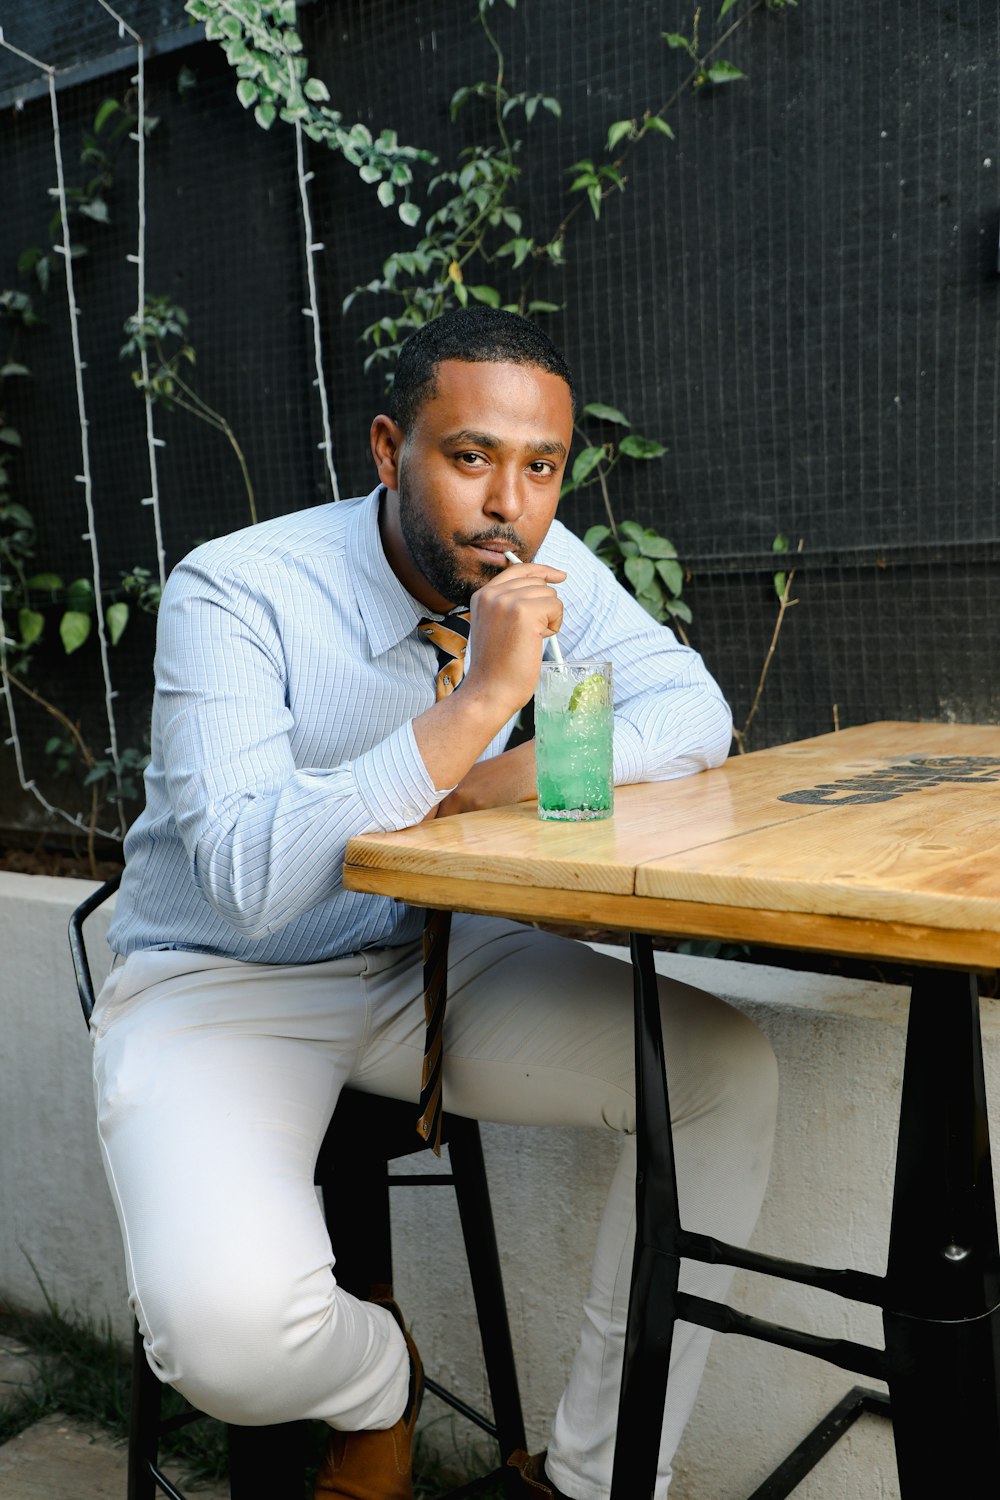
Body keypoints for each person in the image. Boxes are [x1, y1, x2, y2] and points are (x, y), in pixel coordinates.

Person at [91, 306, 778, 1500]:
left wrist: (490, 783)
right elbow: (250, 877)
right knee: (226, 1342)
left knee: (724, 1075)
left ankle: (595, 1481)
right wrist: (469, 716)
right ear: (387, 450)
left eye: (541, 466)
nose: (509, 501)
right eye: (470, 458)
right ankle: (380, 1382)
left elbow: (690, 711)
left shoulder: (540, 564)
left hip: (435, 959)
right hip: (225, 978)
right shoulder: (237, 590)